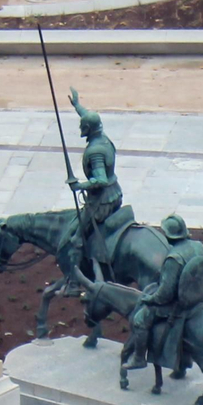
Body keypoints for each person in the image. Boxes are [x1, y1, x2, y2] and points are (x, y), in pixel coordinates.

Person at [133, 215, 203, 379]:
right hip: (201, 298)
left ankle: (139, 358)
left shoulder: (173, 258)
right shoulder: (199, 246)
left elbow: (165, 294)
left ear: (168, 236)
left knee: (140, 319)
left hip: (178, 304)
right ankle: (182, 363)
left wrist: (150, 298)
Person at [67, 88, 127, 276]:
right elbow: (90, 118)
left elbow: (100, 179)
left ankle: (75, 281)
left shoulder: (95, 152)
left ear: (87, 130)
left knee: (76, 238)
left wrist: (79, 186)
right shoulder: (103, 138)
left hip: (102, 201)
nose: (80, 129)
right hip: (115, 192)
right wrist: (77, 106)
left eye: (82, 126)